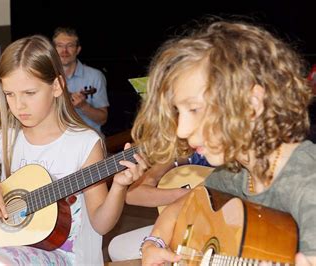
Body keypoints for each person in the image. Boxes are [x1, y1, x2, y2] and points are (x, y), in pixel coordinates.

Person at [0, 35, 147, 265]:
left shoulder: (84, 144)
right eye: (9, 94)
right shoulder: (5, 139)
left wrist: (119, 187)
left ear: (56, 86)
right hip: (9, 247)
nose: (18, 105)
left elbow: (101, 224)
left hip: (68, 257)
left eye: (29, 93)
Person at [131, 21, 316, 265]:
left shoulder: (306, 183)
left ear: (252, 103)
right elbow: (184, 204)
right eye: (179, 113)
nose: (182, 130)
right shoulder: (237, 172)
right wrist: (154, 243)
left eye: (194, 109)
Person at [107, 152, 210, 261]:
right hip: (188, 222)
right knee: (118, 247)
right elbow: (132, 194)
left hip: (215, 226)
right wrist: (185, 195)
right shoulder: (190, 150)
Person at [52, 27, 109, 135]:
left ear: (78, 49)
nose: (64, 51)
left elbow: (102, 119)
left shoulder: (95, 76)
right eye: (59, 46)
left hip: (89, 141)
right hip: (55, 140)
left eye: (70, 45)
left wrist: (84, 106)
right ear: (53, 49)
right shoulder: (46, 76)